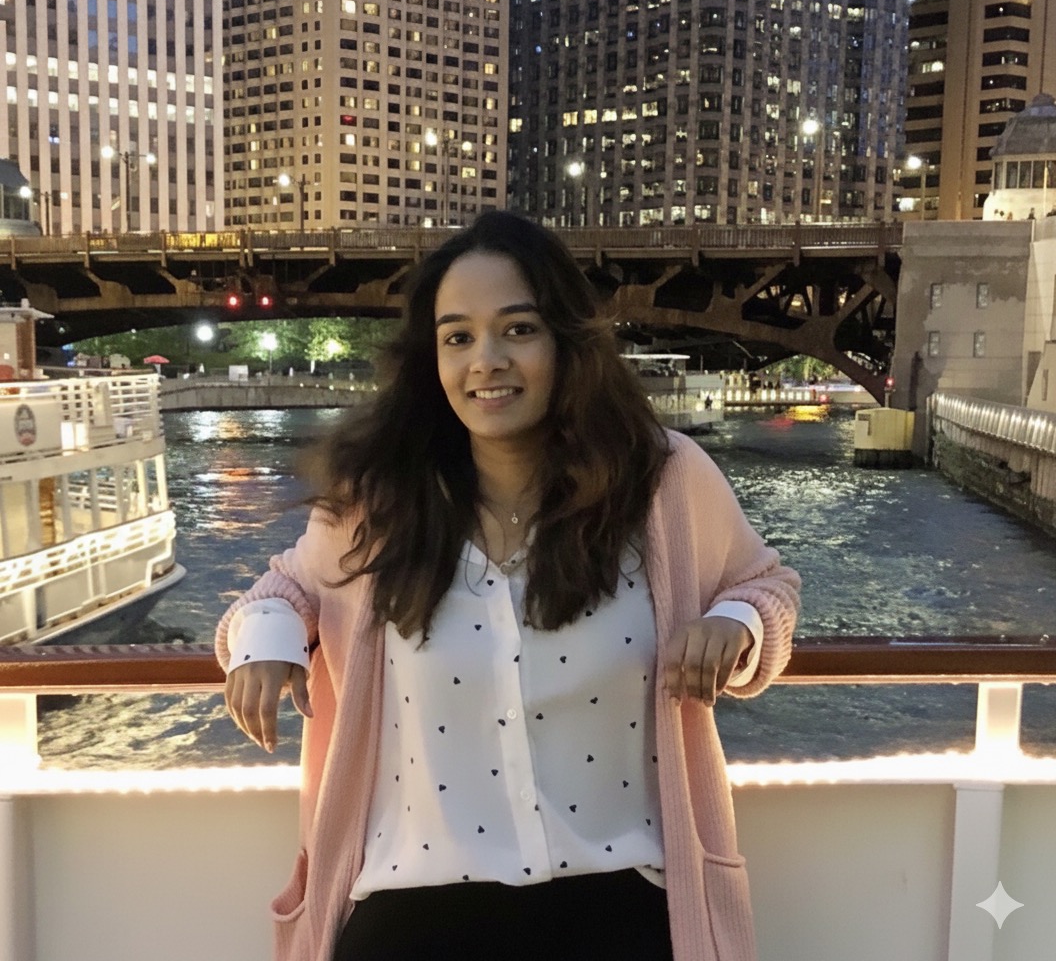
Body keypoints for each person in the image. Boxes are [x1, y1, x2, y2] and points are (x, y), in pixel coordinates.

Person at [216, 211, 800, 961]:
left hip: (619, 917)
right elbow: (282, 591)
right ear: (431, 359)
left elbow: (767, 585)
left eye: (518, 329)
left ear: (566, 341)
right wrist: (267, 641)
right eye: (457, 337)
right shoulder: (380, 504)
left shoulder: (662, 481)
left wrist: (736, 623)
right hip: (412, 922)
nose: (486, 361)